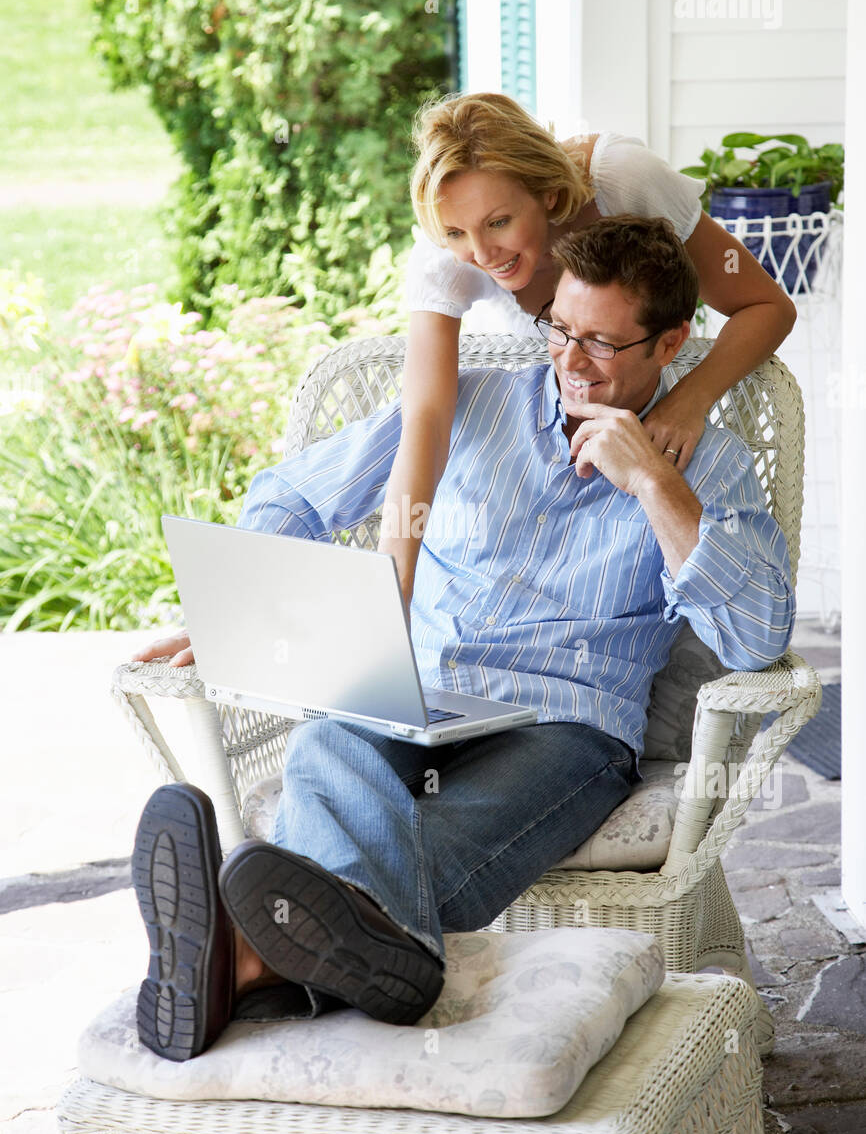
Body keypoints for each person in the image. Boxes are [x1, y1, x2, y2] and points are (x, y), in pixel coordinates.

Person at [131, 216, 794, 1062]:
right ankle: (330, 962)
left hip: (568, 729)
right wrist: (245, 603)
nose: (571, 361)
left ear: (669, 344)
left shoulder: (709, 464)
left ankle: (243, 959)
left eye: (601, 342)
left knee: (430, 837)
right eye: (560, 329)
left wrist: (657, 484)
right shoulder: (472, 406)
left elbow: (754, 637)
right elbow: (293, 495)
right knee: (329, 740)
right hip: (420, 693)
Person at [379, 91, 797, 610]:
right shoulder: (444, 256)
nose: (482, 255)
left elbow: (766, 305)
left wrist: (687, 403)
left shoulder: (625, 179)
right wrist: (395, 584)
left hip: (633, 398)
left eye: (499, 222)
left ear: (551, 197)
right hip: (543, 424)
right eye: (457, 232)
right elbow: (426, 419)